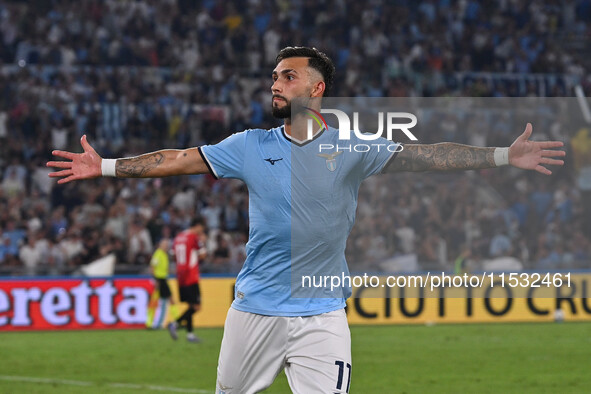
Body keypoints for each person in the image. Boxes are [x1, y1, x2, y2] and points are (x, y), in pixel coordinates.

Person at [48, 46, 565, 393]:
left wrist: (502, 155)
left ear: (316, 89)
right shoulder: (249, 146)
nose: (276, 83)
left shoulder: (353, 148)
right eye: (274, 76)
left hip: (322, 313)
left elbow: (426, 155)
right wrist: (108, 166)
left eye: (288, 76)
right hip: (255, 310)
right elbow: (179, 158)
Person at [168, 217, 207, 343]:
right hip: (191, 276)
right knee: (196, 307)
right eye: (201, 228)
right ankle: (175, 323)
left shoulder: (178, 237)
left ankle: (190, 335)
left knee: (190, 305)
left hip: (180, 276)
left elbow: (173, 255)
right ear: (197, 226)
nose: (202, 231)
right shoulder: (194, 237)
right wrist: (203, 243)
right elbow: (202, 255)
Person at [146, 238, 176, 330]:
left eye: (167, 245)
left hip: (163, 279)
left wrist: (173, 272)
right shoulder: (158, 253)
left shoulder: (164, 254)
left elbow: (164, 269)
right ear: (161, 245)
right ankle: (177, 321)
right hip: (160, 280)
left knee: (158, 301)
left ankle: (150, 322)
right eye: (165, 245)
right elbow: (152, 267)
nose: (166, 246)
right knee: (165, 300)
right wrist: (156, 280)